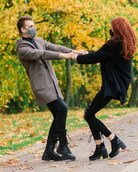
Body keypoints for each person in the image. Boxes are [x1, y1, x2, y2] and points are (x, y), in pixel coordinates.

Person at [16, 15, 86, 161]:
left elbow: (53, 47)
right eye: (30, 26)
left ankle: (49, 151)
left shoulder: (39, 40)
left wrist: (73, 51)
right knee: (62, 109)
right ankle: (63, 145)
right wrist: (62, 55)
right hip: (42, 86)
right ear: (22, 30)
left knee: (59, 113)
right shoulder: (22, 47)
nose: (33, 28)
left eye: (34, 25)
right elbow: (41, 54)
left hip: (52, 83)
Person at [70, 17, 137, 161]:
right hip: (117, 85)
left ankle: (114, 140)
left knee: (88, 115)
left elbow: (96, 57)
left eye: (112, 27)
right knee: (90, 113)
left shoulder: (113, 44)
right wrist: (88, 54)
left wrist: (74, 57)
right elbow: (101, 55)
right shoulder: (125, 43)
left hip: (112, 86)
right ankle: (100, 147)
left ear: (116, 29)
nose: (110, 30)